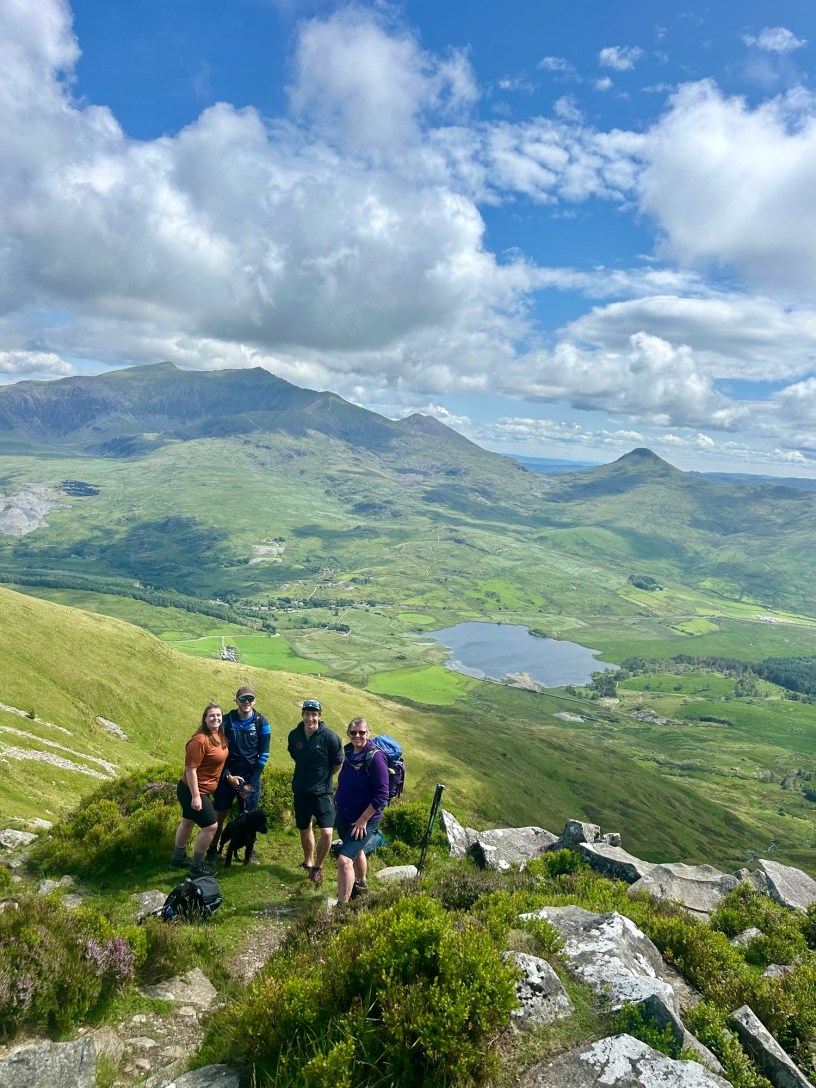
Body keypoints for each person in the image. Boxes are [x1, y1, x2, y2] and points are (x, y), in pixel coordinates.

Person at [171, 702, 235, 877]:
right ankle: (197, 865)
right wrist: (196, 796)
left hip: (201, 790)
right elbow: (190, 770)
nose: (216, 718)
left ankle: (178, 858)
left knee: (187, 822)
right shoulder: (199, 740)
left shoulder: (219, 735)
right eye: (211, 715)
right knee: (211, 826)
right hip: (191, 790)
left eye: (218, 715)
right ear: (205, 719)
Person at [209, 684, 271, 860]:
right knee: (219, 815)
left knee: (249, 818)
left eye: (250, 699)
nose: (246, 702)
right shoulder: (226, 721)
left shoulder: (262, 723)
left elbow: (264, 754)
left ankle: (249, 853)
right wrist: (228, 776)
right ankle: (212, 850)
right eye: (243, 699)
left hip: (250, 778)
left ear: (254, 701)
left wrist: (251, 783)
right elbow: (218, 751)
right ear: (236, 701)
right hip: (226, 777)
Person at [334, 717, 389, 904]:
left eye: (362, 732)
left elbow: (382, 794)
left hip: (363, 819)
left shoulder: (376, 757)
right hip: (344, 813)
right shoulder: (349, 752)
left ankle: (342, 906)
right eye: (353, 732)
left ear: (368, 734)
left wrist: (363, 820)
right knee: (356, 851)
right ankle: (362, 885)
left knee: (344, 860)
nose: (357, 735)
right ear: (348, 734)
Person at [287, 698, 343, 884]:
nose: (310, 718)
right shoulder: (294, 735)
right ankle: (308, 862)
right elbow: (296, 756)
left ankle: (318, 867)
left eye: (314, 714)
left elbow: (337, 764)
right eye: (307, 714)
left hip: (322, 793)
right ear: (302, 715)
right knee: (304, 828)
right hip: (301, 791)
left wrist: (323, 777)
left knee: (327, 832)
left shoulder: (331, 737)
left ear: (319, 716)